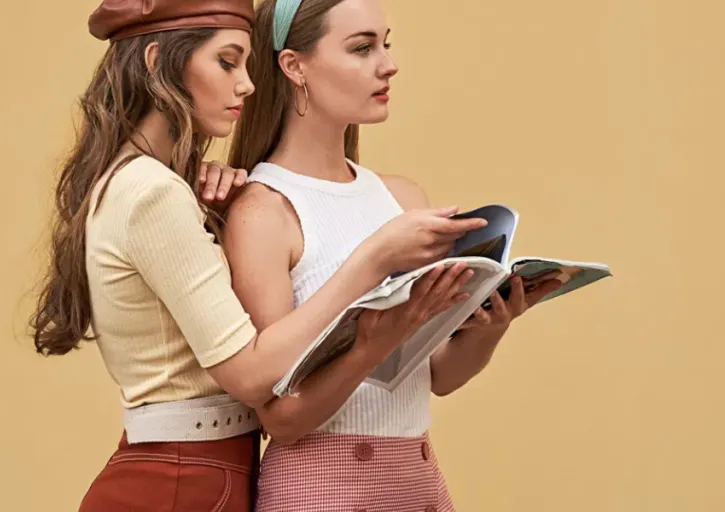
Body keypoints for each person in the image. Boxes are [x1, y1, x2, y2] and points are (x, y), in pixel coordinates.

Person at [28, 1, 486, 510]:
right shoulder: (156, 192)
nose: (246, 84)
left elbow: (435, 373)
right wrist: (373, 261)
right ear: (158, 62)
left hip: (199, 469)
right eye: (227, 62)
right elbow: (252, 379)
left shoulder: (157, 186)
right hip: (184, 477)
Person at [223, 0, 566, 510]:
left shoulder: (404, 199)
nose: (389, 63)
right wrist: (367, 337)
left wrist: (490, 327)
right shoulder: (263, 211)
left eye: (385, 42)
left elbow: (439, 377)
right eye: (362, 48)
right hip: (321, 487)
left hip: (416, 478)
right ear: (295, 66)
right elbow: (281, 417)